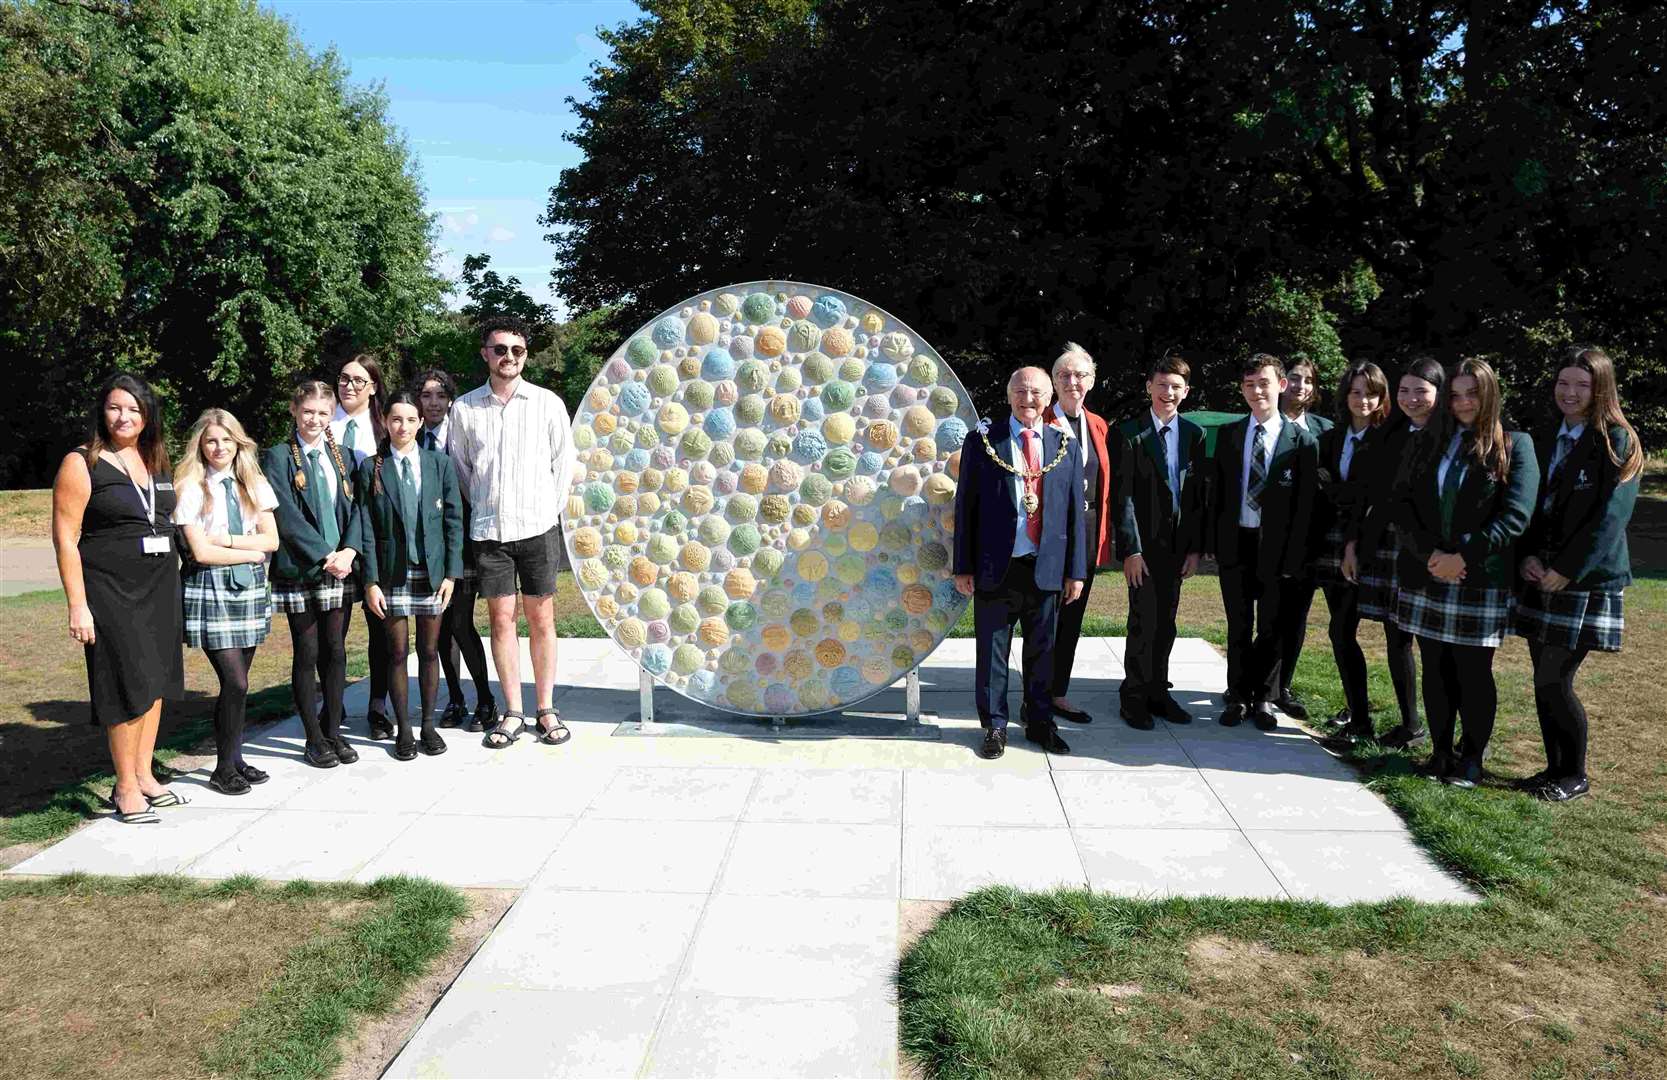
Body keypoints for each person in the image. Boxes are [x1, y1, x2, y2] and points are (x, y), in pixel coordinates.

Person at [1392, 358, 1537, 788]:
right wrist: (1431, 556)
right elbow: (1401, 506)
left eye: (1472, 393)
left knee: (1473, 672)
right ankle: (1439, 753)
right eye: (1455, 395)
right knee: (1435, 667)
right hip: (1428, 572)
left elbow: (1516, 516)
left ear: (1489, 393)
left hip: (1479, 578)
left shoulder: (1515, 444)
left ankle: (1471, 759)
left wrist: (1463, 557)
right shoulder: (1427, 442)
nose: (1463, 402)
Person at [51, 373, 188, 823]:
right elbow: (66, 538)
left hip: (160, 588)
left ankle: (145, 774)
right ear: (101, 412)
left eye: (134, 409)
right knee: (124, 684)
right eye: (115, 407)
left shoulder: (156, 459)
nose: (124, 416)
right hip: (111, 590)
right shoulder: (82, 462)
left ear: (147, 416)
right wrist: (77, 604)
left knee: (156, 682)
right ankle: (125, 787)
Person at [1515, 347, 1642, 802]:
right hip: (1538, 574)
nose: (1570, 393)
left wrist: (1567, 571)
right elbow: (1526, 504)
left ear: (1600, 388)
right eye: (1563, 383)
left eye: (1581, 385)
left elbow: (1611, 519)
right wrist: (1526, 556)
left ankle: (1576, 775)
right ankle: (1553, 769)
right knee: (1540, 678)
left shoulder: (1617, 440)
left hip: (1583, 582)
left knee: (1555, 677)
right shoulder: (1545, 438)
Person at [448, 315, 579, 748]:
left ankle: (545, 709)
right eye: (500, 349)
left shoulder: (547, 403)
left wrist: (546, 511)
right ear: (485, 353)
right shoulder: (464, 408)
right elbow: (462, 470)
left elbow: (564, 466)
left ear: (526, 355)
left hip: (538, 529)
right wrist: (486, 505)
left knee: (542, 620)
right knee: (501, 622)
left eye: (517, 350)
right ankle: (512, 712)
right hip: (489, 532)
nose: (509, 357)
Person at [953, 366, 1087, 759]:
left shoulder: (1066, 446)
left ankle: (1041, 722)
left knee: (1042, 652)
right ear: (1009, 394)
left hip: (1045, 568)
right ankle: (994, 725)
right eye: (1021, 392)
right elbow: (966, 507)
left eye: (1037, 393)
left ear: (1049, 398)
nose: (1029, 400)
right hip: (997, 566)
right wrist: (964, 565)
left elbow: (1073, 517)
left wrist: (1075, 571)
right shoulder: (983, 442)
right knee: (992, 651)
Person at [1206, 353, 1318, 730]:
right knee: (1238, 625)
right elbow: (1217, 496)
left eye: (1264, 383)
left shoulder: (1301, 442)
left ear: (1282, 385)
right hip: (1236, 544)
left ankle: (1265, 699)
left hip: (1278, 550)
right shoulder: (1230, 436)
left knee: (1271, 627)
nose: (1257, 391)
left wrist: (1296, 556)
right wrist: (1214, 543)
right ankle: (1237, 696)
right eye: (1250, 384)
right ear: (1242, 389)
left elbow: (1305, 507)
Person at [174, 409, 281, 795]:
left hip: (249, 588)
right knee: (233, 681)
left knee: (241, 684)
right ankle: (222, 768)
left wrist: (231, 542)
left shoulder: (253, 483)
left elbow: (271, 541)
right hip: (211, 588)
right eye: (211, 441)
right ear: (200, 445)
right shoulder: (190, 486)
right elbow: (200, 553)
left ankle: (235, 759)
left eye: (226, 440)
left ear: (239, 443)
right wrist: (249, 553)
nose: (219, 448)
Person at [357, 389, 465, 760]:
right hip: (391, 574)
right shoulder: (371, 466)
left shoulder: (439, 464)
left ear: (421, 423)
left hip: (432, 573)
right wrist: (369, 581)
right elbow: (366, 527)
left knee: (430, 650)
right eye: (396, 419)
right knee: (397, 652)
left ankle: (429, 726)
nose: (403, 426)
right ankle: (403, 729)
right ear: (385, 422)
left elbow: (454, 522)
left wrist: (451, 573)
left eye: (410, 419)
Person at [261, 380, 363, 769]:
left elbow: (358, 511)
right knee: (308, 651)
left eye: (323, 413)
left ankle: (333, 730)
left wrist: (349, 552)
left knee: (336, 651)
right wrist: (325, 555)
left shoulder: (347, 458)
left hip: (341, 567)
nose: (315, 420)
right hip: (303, 569)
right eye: (308, 412)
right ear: (294, 410)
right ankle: (313, 737)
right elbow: (284, 515)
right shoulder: (277, 458)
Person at [1348, 357, 1445, 748]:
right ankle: (1411, 723)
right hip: (1391, 548)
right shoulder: (1391, 434)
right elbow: (1370, 494)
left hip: (1435, 552)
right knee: (1396, 637)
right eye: (1404, 390)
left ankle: (1455, 739)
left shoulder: (1451, 436)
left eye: (1420, 390)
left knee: (1438, 647)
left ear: (1439, 392)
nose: (1412, 398)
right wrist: (1356, 543)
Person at [1111, 353, 1205, 729]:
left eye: (1176, 387)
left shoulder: (1194, 435)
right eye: (1162, 384)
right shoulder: (1130, 433)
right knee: (1142, 620)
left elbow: (1197, 496)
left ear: (1186, 392)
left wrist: (1195, 549)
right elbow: (1123, 497)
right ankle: (1133, 696)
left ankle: (1158, 692)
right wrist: (1130, 549)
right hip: (1144, 550)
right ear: (1149, 386)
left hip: (1178, 549)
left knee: (1167, 623)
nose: (1168, 392)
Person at [415, 368, 498, 732]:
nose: (433, 403)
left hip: (464, 544)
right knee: (441, 628)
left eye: (439, 395)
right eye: (426, 395)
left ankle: (486, 699)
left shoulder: (461, 435)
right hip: (430, 549)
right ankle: (455, 699)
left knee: (462, 623)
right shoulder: (411, 438)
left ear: (450, 399)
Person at [1313, 362, 1391, 744]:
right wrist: (1345, 493)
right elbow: (1324, 483)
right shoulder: (1333, 436)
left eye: (1371, 393)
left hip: (1363, 547)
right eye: (1356, 392)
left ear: (1381, 397)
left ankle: (1362, 721)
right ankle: (1354, 713)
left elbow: (1371, 496)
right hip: (1330, 543)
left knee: (1342, 630)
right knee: (1340, 632)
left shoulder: (1387, 439)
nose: (1363, 400)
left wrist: (1353, 540)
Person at [1047, 342, 1114, 725]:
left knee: (1072, 618)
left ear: (1091, 380)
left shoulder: (1098, 424)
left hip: (1086, 538)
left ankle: (1058, 693)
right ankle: (1035, 697)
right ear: (1054, 381)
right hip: (1048, 540)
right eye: (1064, 375)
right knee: (1044, 620)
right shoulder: (1039, 421)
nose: (1073, 381)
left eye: (1080, 375)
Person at [331, 353, 394, 739]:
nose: (349, 386)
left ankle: (377, 708)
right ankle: (332, 706)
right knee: (332, 635)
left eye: (358, 380)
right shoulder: (322, 425)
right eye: (343, 378)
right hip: (333, 545)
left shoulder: (384, 429)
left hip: (374, 544)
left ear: (373, 386)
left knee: (381, 630)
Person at [1271, 356, 1335, 720]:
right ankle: (1251, 684)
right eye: (1294, 379)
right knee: (1265, 617)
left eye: (1308, 381)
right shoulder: (1262, 421)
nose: (1301, 386)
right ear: (1282, 383)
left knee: (1295, 617)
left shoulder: (1326, 432)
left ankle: (1284, 686)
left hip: (1308, 541)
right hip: (1264, 538)